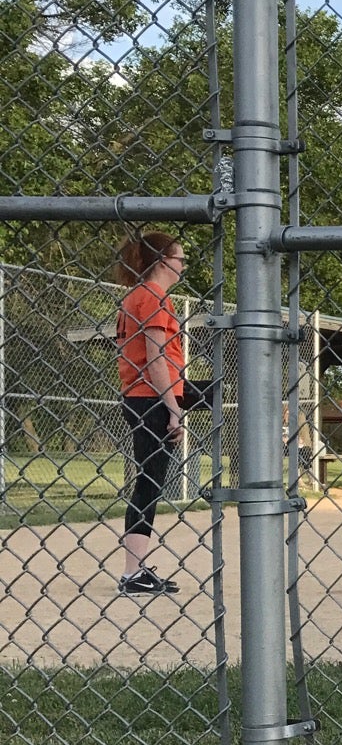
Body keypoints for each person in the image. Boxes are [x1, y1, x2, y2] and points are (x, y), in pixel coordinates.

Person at [112, 230, 191, 595]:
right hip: (153, 399)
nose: (183, 265)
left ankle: (136, 569)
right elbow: (157, 358)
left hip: (143, 397)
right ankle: (132, 573)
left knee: (149, 482)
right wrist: (173, 409)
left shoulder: (137, 296)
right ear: (162, 262)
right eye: (180, 259)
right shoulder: (153, 296)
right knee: (149, 483)